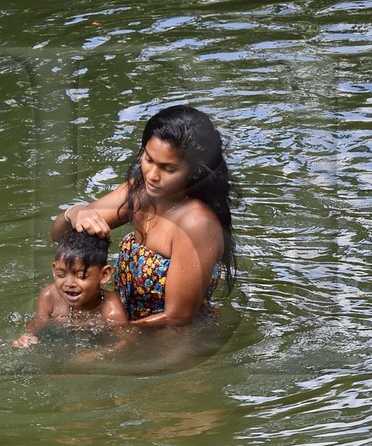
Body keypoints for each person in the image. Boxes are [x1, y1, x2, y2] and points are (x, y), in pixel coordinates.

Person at [53, 105, 236, 325]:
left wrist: (110, 333)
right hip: (124, 326)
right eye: (148, 159)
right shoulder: (138, 194)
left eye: (168, 169)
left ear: (195, 170)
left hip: (171, 341)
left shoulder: (196, 224)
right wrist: (75, 212)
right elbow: (58, 235)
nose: (152, 175)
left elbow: (177, 318)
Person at [11, 229, 129, 348]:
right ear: (54, 270)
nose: (69, 283)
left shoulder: (111, 310)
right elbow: (39, 322)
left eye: (81, 276)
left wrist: (92, 356)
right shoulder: (49, 295)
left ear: (104, 275)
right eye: (61, 275)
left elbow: (123, 342)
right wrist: (28, 336)